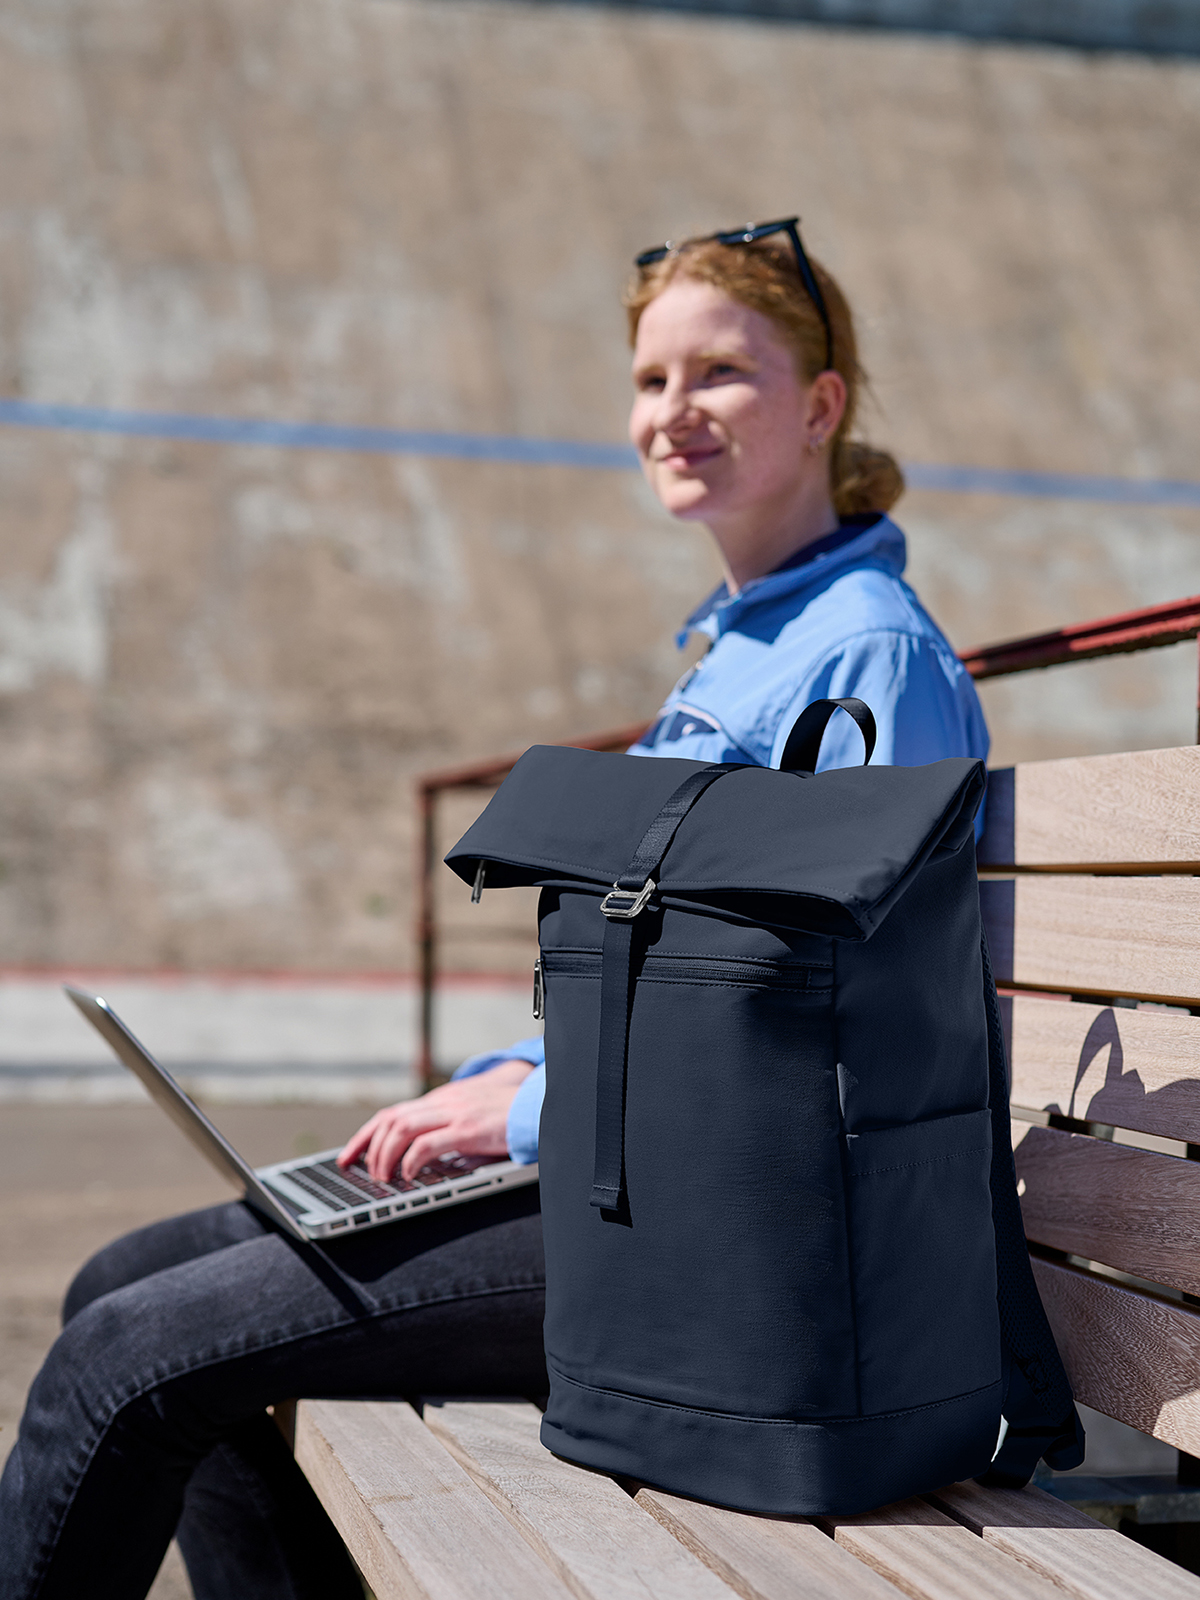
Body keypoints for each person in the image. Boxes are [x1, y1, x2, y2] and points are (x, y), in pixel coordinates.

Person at [0, 218, 988, 1600]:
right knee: (120, 1279)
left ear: (821, 405)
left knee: (128, 1363)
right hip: (613, 1171)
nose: (673, 412)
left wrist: (526, 1116)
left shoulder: (869, 655)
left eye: (721, 374)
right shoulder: (750, 641)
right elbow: (679, 975)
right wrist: (510, 1084)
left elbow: (826, 1046)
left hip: (712, 1244)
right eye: (650, 381)